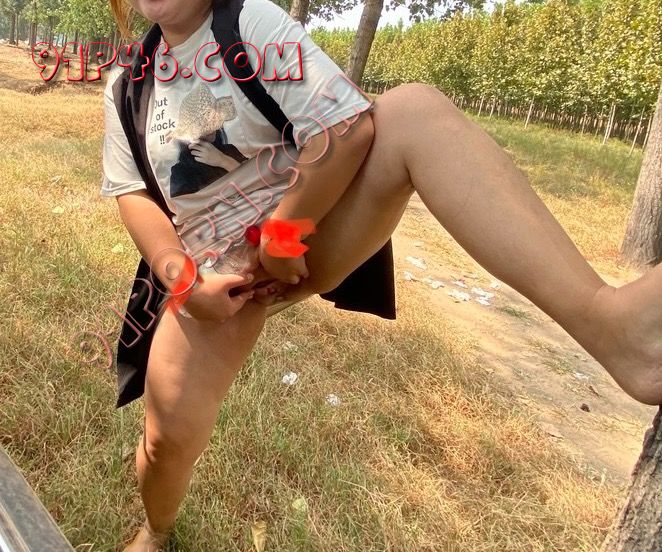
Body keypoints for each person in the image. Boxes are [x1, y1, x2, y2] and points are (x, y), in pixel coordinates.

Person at [102, 0, 662, 549]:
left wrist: (281, 238)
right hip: (211, 270)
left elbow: (345, 128)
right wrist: (184, 282)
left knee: (413, 112)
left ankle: (610, 324)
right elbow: (134, 195)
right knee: (165, 442)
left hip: (305, 224)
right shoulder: (128, 84)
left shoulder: (249, 24)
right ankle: (156, 531)